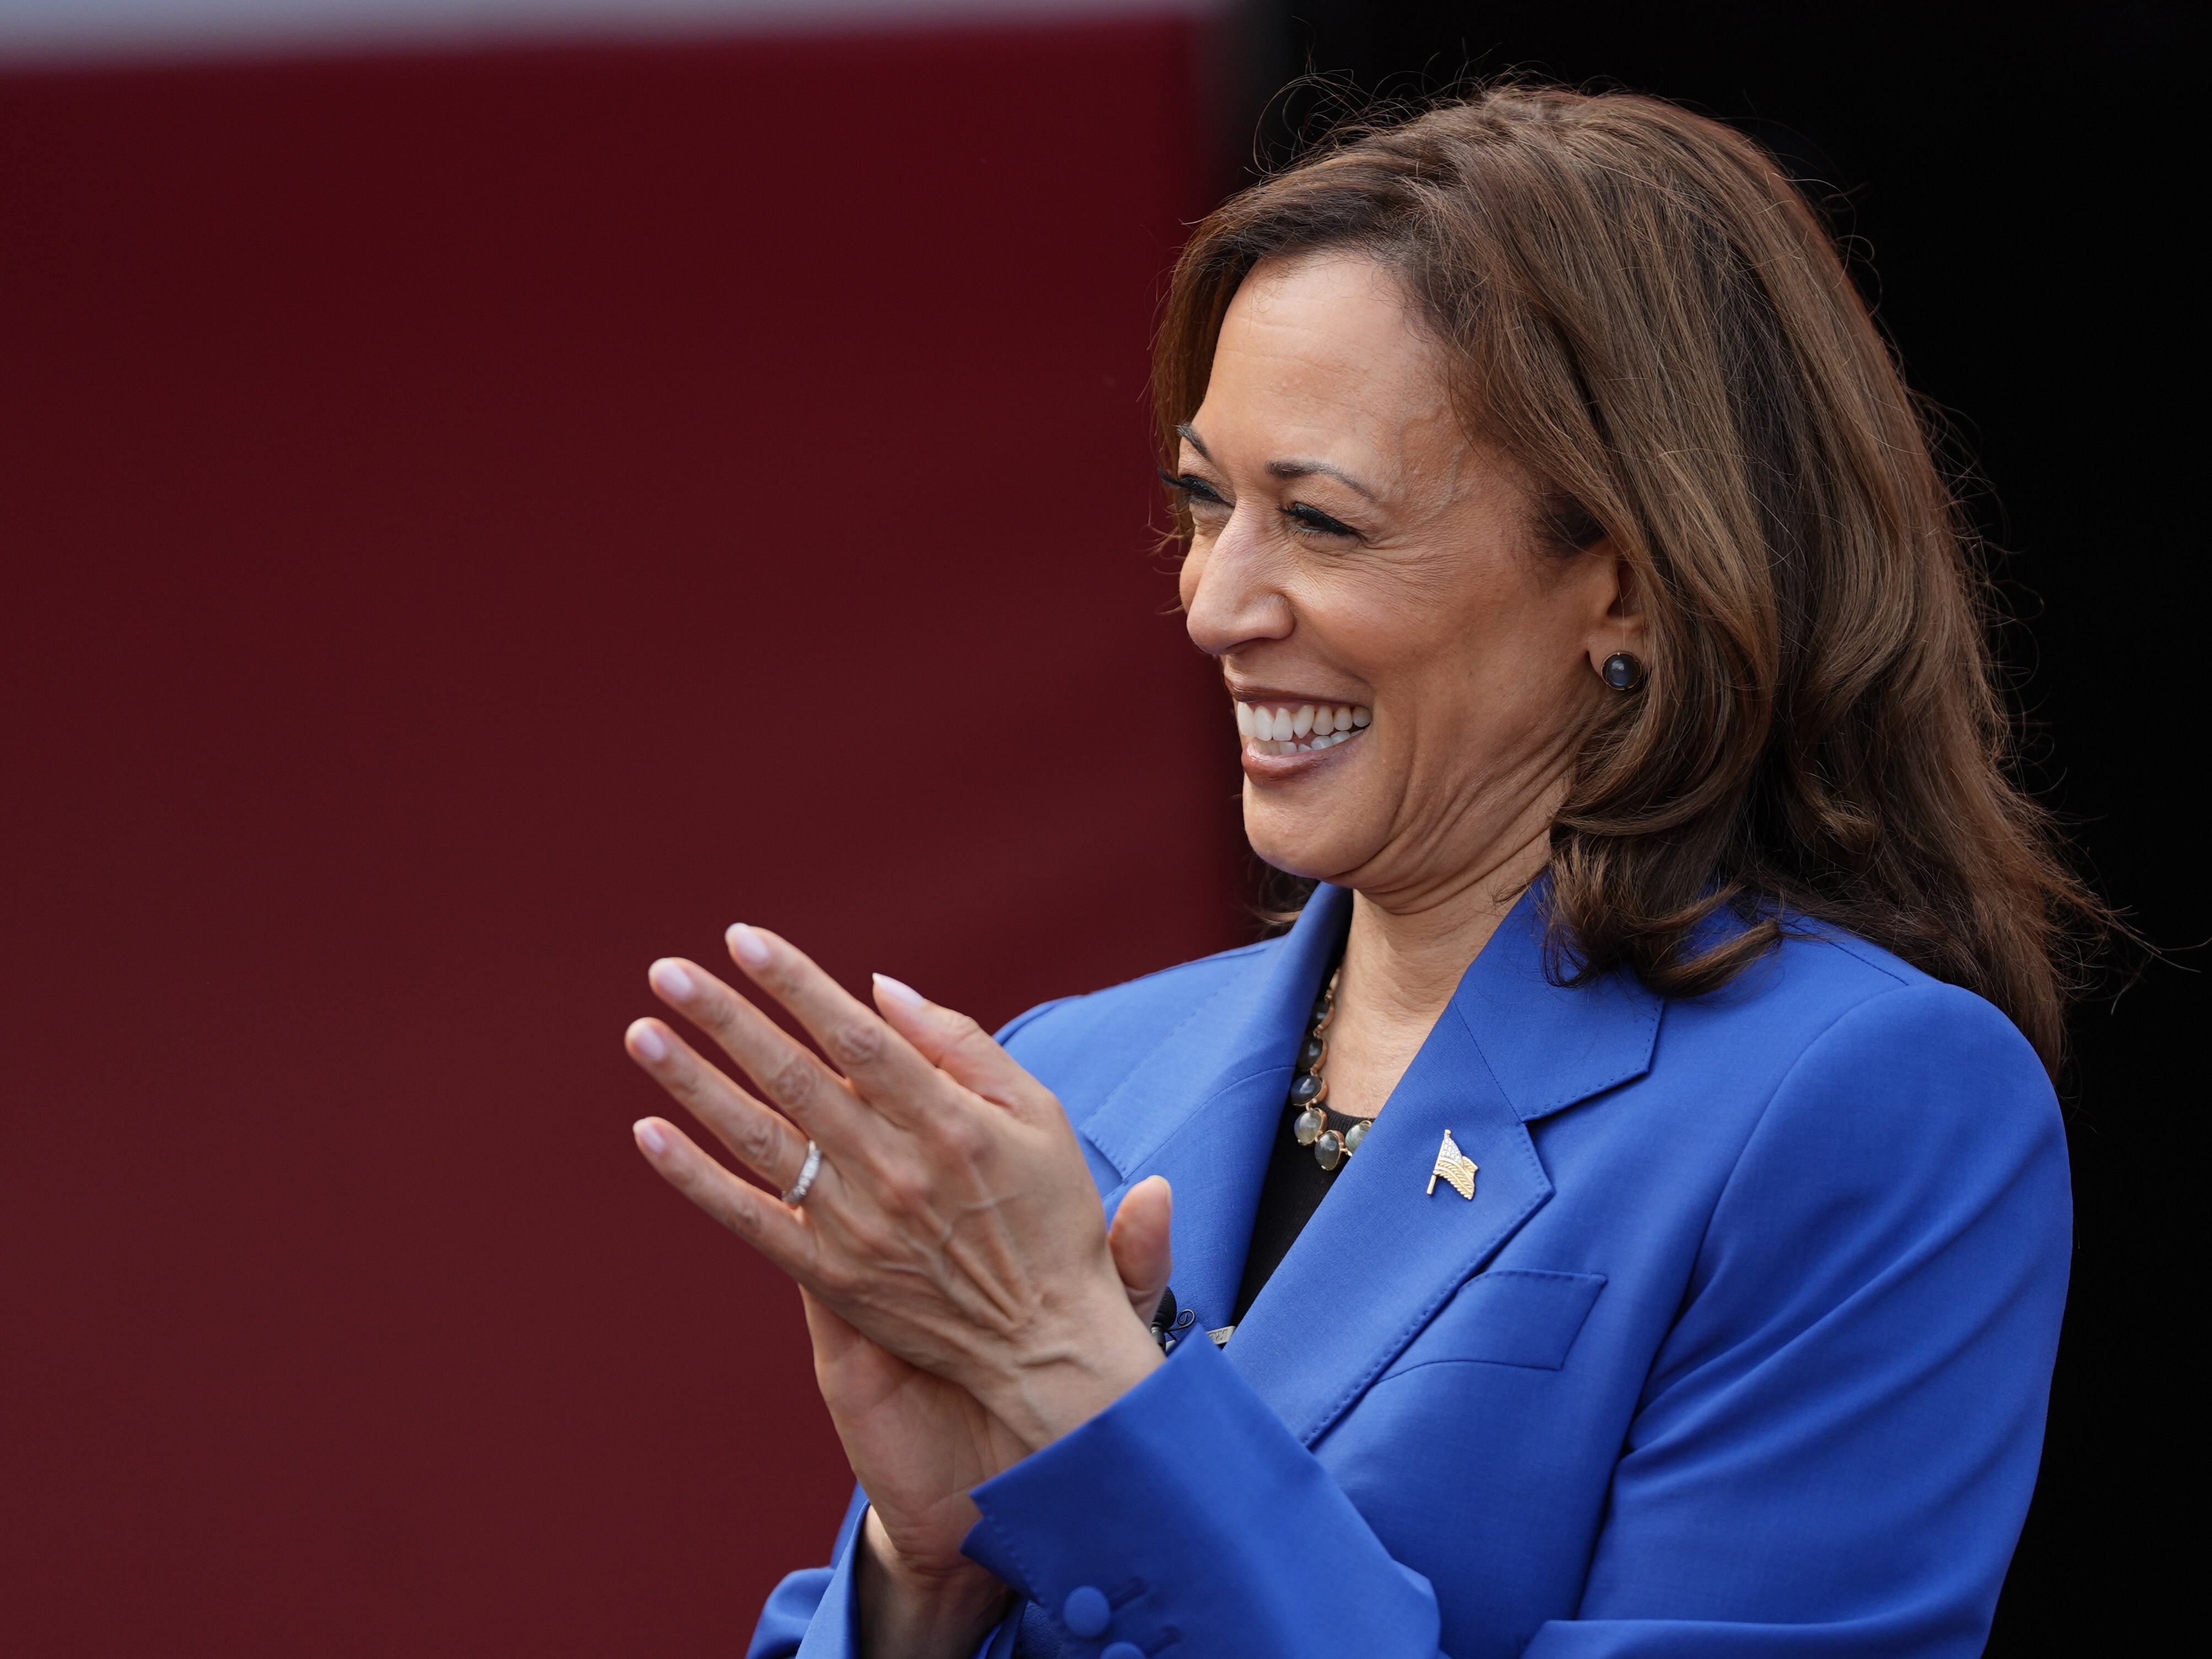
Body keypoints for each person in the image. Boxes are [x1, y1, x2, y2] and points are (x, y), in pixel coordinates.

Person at [622, 85, 2096, 1659]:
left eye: (1317, 522)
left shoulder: (1860, 1100)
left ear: (1625, 583)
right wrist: (923, 1583)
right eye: (1204, 503)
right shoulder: (1067, 1078)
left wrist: (1081, 1398)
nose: (1212, 604)